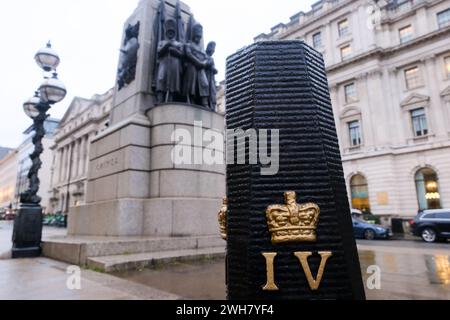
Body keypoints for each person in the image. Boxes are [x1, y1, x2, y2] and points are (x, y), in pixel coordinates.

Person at [183, 23, 212, 108]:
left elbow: (207, 58)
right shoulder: (188, 44)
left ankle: (205, 103)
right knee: (191, 85)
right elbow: (189, 54)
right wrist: (198, 62)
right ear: (193, 35)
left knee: (205, 84)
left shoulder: (201, 49)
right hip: (191, 67)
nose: (198, 38)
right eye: (197, 36)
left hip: (201, 69)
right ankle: (189, 100)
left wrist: (205, 63)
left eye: (199, 37)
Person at [156, 19, 184, 104]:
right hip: (163, 63)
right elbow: (159, 52)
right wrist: (167, 45)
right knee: (161, 79)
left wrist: (173, 50)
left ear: (175, 32)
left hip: (175, 64)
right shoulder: (162, 42)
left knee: (173, 83)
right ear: (166, 32)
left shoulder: (179, 44)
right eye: (169, 31)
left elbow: (182, 54)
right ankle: (160, 100)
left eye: (172, 31)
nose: (170, 33)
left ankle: (170, 100)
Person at [205, 41, 218, 111]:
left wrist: (214, 70)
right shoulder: (204, 55)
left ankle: (212, 107)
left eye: (214, 49)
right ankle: (208, 105)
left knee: (212, 92)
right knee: (207, 91)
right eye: (213, 48)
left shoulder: (211, 58)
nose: (213, 51)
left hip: (211, 78)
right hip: (206, 76)